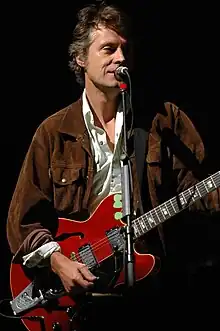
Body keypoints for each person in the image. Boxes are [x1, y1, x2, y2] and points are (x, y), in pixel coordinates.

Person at [6, 1, 220, 330]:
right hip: (78, 302)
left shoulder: (164, 121)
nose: (120, 58)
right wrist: (58, 261)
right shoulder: (53, 132)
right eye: (108, 49)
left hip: (150, 293)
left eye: (124, 49)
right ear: (81, 58)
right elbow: (23, 221)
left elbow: (202, 190)